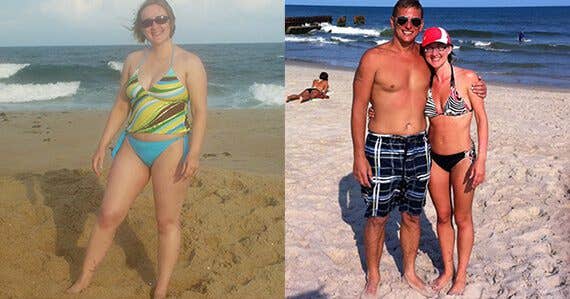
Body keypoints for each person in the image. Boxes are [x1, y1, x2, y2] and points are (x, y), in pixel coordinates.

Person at [67, 1, 207, 298]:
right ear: (140, 29)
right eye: (147, 22)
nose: (155, 25)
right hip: (132, 144)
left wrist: (193, 152)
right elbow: (121, 105)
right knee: (108, 214)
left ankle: (161, 288)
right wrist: (103, 143)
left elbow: (200, 111)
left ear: (171, 20)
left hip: (171, 146)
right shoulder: (132, 60)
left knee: (166, 221)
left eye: (161, 18)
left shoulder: (189, 62)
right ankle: (84, 278)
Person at [351, 1, 486, 298]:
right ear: (392, 22)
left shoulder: (426, 59)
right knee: (377, 216)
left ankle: (409, 271)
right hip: (382, 143)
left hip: (419, 146)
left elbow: (450, 74)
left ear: (421, 25)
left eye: (414, 22)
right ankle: (373, 276)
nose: (408, 27)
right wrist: (359, 155)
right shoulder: (373, 58)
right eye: (403, 21)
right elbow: (359, 108)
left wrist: (479, 86)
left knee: (412, 214)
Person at [421, 27, 488, 295]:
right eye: (429, 48)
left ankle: (461, 275)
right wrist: (374, 109)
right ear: (424, 52)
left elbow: (482, 121)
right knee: (442, 217)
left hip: (463, 158)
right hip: (434, 158)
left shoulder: (468, 79)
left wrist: (480, 160)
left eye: (440, 47)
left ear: (449, 49)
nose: (435, 52)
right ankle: (447, 269)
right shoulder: (423, 81)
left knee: (463, 218)